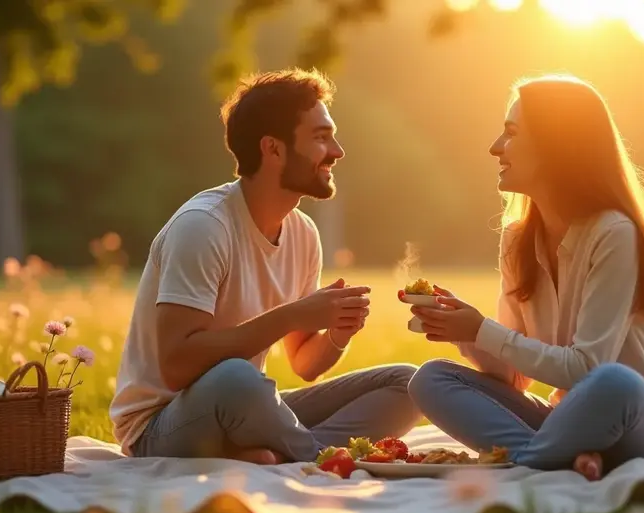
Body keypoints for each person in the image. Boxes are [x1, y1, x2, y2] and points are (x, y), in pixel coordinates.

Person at [405, 74, 644, 480]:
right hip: (569, 420)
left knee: (614, 382)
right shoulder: (518, 238)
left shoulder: (614, 233)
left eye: (511, 133)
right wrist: (462, 328)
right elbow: (515, 377)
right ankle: (560, 458)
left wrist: (483, 330)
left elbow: (587, 368)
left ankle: (531, 462)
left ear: (554, 145)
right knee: (431, 379)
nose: (496, 147)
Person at [110, 68, 421, 464]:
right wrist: (292, 315)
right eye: (321, 137)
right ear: (273, 149)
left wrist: (338, 333)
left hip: (246, 405)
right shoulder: (203, 226)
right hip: (161, 426)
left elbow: (305, 363)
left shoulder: (303, 233)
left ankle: (267, 450)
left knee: (410, 383)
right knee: (238, 379)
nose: (338, 151)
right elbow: (177, 365)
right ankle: (322, 457)